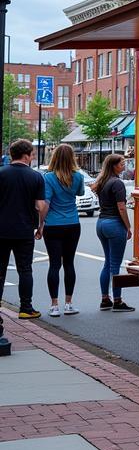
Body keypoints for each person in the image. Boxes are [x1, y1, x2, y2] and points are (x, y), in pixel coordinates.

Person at [0, 139, 47, 329]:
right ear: (26, 155)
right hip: (24, 229)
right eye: (32, 154)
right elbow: (41, 206)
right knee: (25, 269)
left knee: (0, 271)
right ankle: (26, 307)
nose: (33, 157)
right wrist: (40, 225)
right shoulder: (35, 177)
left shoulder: (1, 174)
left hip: (1, 230)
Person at [41, 144, 85, 316]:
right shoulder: (78, 176)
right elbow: (81, 193)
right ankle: (69, 303)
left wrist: (40, 225)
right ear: (72, 157)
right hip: (72, 224)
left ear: (54, 157)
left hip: (52, 225)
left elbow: (45, 204)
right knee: (69, 263)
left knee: (54, 264)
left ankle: (54, 305)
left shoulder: (48, 177)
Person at [93, 153, 135, 312]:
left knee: (108, 262)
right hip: (114, 224)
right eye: (121, 163)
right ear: (114, 166)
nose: (124, 166)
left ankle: (105, 299)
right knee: (115, 264)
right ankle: (117, 301)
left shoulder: (102, 182)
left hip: (101, 223)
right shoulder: (117, 183)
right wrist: (128, 226)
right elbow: (122, 207)